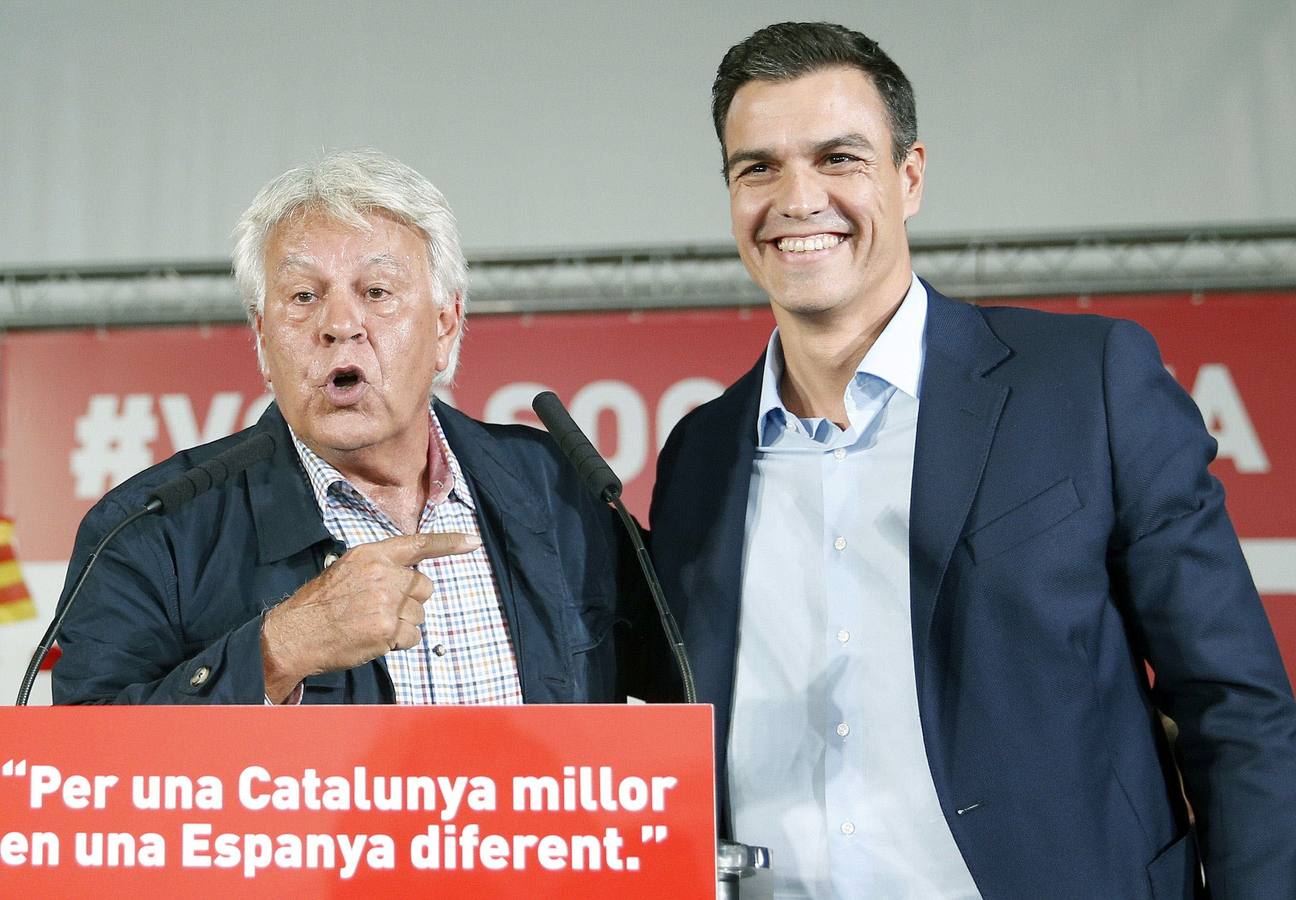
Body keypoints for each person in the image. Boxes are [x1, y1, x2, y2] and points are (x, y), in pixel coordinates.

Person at [648, 21, 1296, 899]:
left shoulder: (1085, 384)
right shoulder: (700, 454)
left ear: (909, 177)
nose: (797, 199)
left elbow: (1237, 709)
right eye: (757, 167)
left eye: (839, 159)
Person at [54, 149, 645, 707]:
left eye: (377, 292)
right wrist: (276, 652)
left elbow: (706, 672)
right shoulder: (148, 530)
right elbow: (83, 771)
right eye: (304, 296)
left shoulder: (560, 490)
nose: (339, 324)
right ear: (262, 339)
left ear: (445, 325)